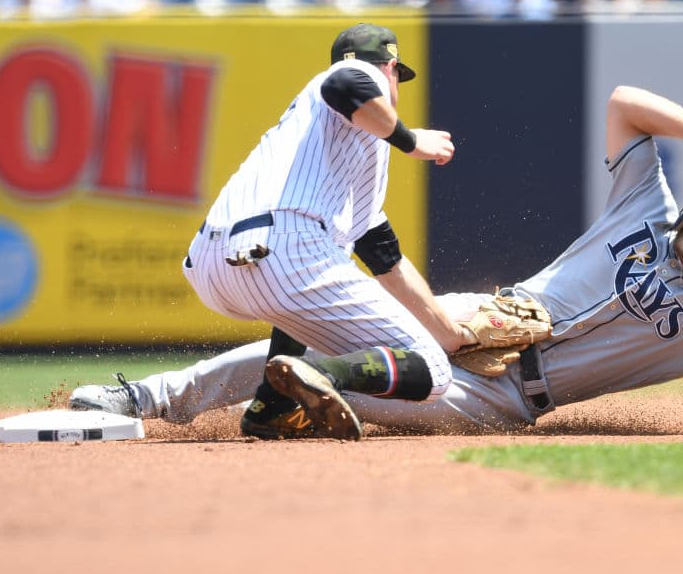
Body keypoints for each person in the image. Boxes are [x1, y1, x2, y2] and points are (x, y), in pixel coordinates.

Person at [71, 85, 683, 439]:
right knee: (337, 319)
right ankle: (148, 398)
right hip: (470, 315)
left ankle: (299, 392)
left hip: (496, 397)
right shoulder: (645, 202)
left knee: (356, 373)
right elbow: (624, 103)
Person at [143, 23, 469, 441]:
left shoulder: (330, 154)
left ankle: (272, 407)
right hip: (282, 248)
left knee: (313, 297)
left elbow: (387, 262)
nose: (394, 86)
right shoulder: (359, 77)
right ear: (390, 68)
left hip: (214, 267)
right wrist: (412, 141)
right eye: (396, 75)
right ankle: (321, 374)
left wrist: (451, 335)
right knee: (434, 371)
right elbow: (345, 82)